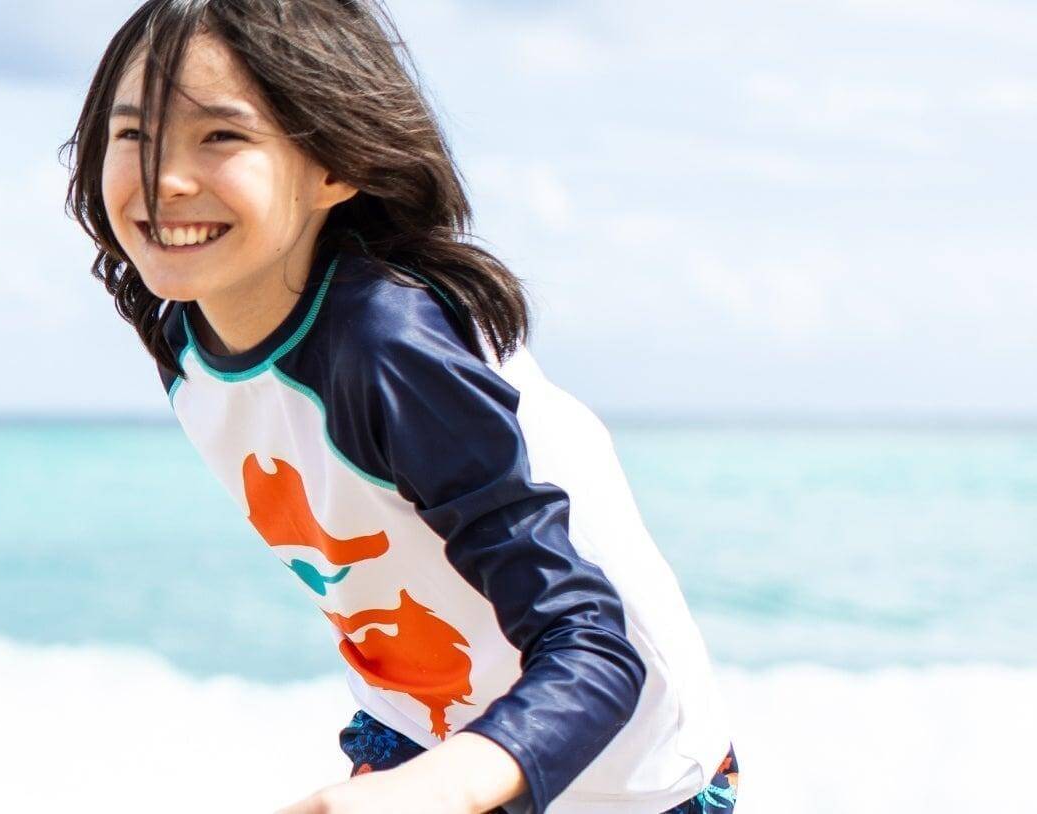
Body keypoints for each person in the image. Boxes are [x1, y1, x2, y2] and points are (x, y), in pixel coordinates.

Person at [63, 2, 738, 811]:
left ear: (334, 166)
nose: (160, 179)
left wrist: (433, 792)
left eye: (221, 136)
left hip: (621, 774)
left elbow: (596, 646)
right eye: (132, 134)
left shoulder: (389, 349)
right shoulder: (179, 320)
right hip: (417, 730)